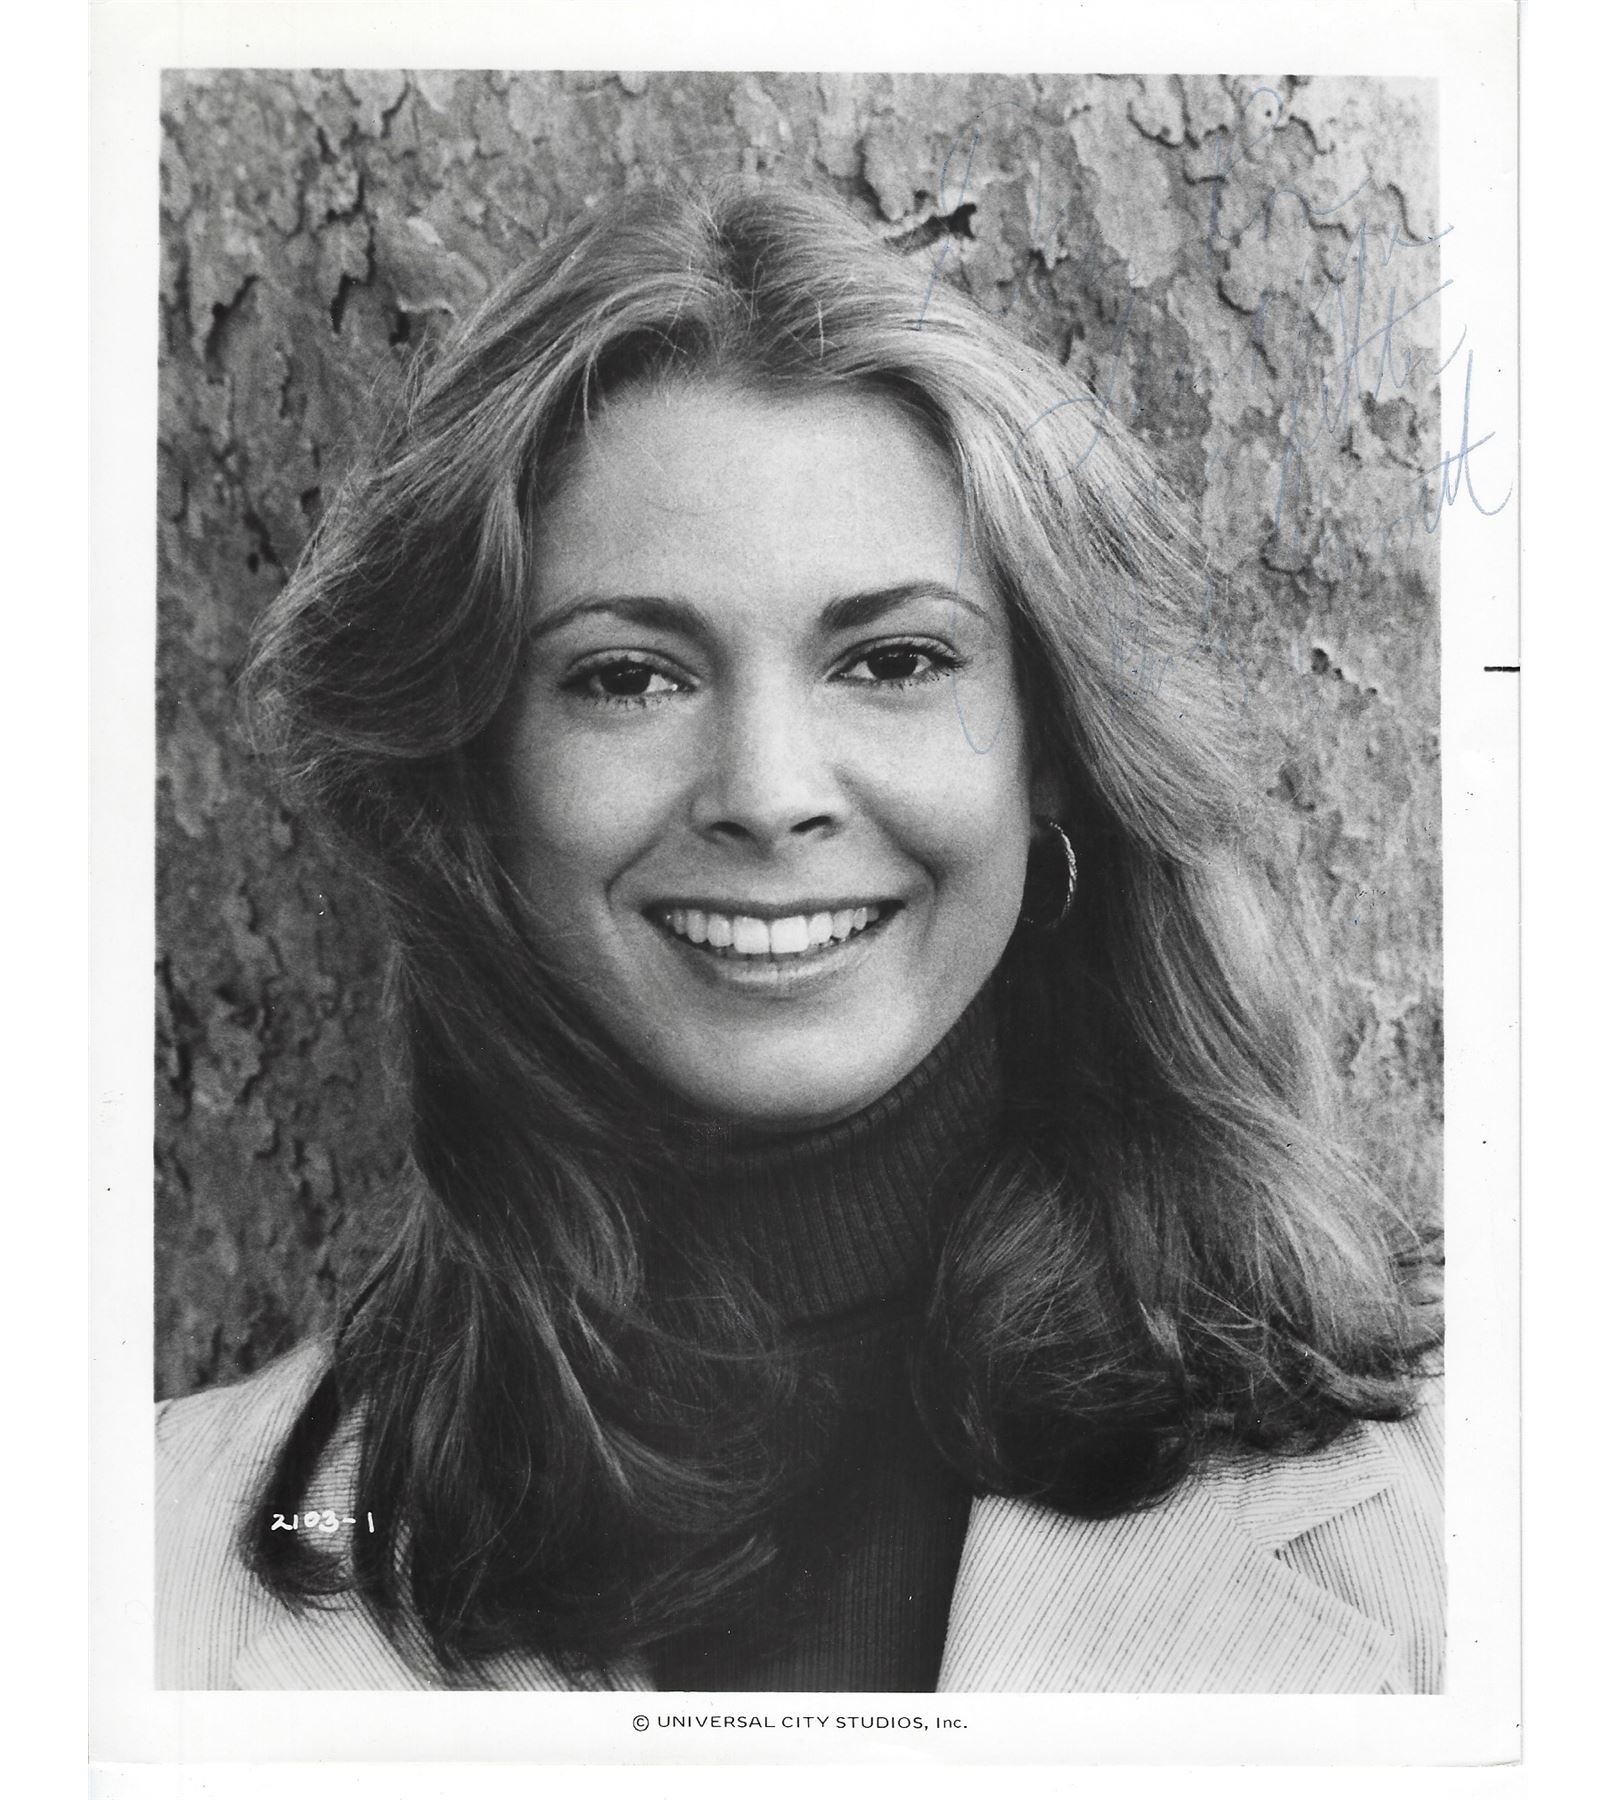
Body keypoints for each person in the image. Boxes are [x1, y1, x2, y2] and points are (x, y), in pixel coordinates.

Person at [155, 179, 1442, 1693]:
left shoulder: (1485, 1508)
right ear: (475, 775)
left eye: (893, 661)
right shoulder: (140, 1552)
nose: (768, 796)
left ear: (1053, 750)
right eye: (628, 677)